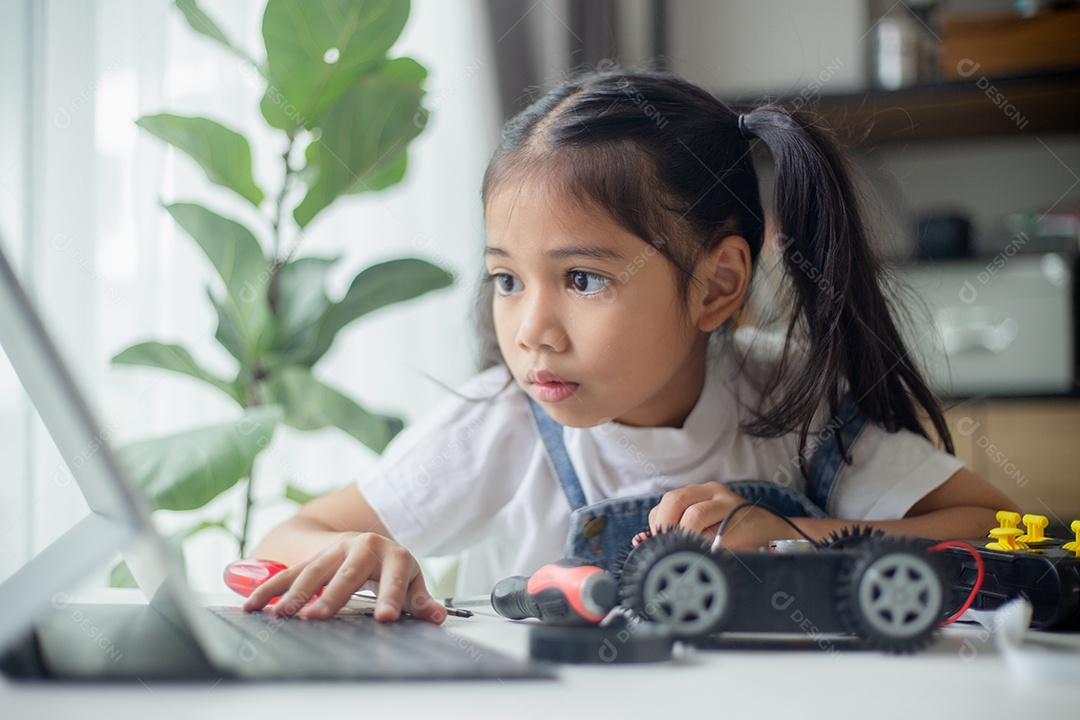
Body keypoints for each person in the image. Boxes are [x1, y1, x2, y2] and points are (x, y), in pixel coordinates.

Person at [243, 68, 1017, 625]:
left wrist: (792, 538)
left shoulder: (792, 400)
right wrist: (361, 553)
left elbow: (991, 524)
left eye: (582, 279)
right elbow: (281, 541)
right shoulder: (502, 425)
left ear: (717, 285)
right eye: (507, 280)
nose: (529, 331)